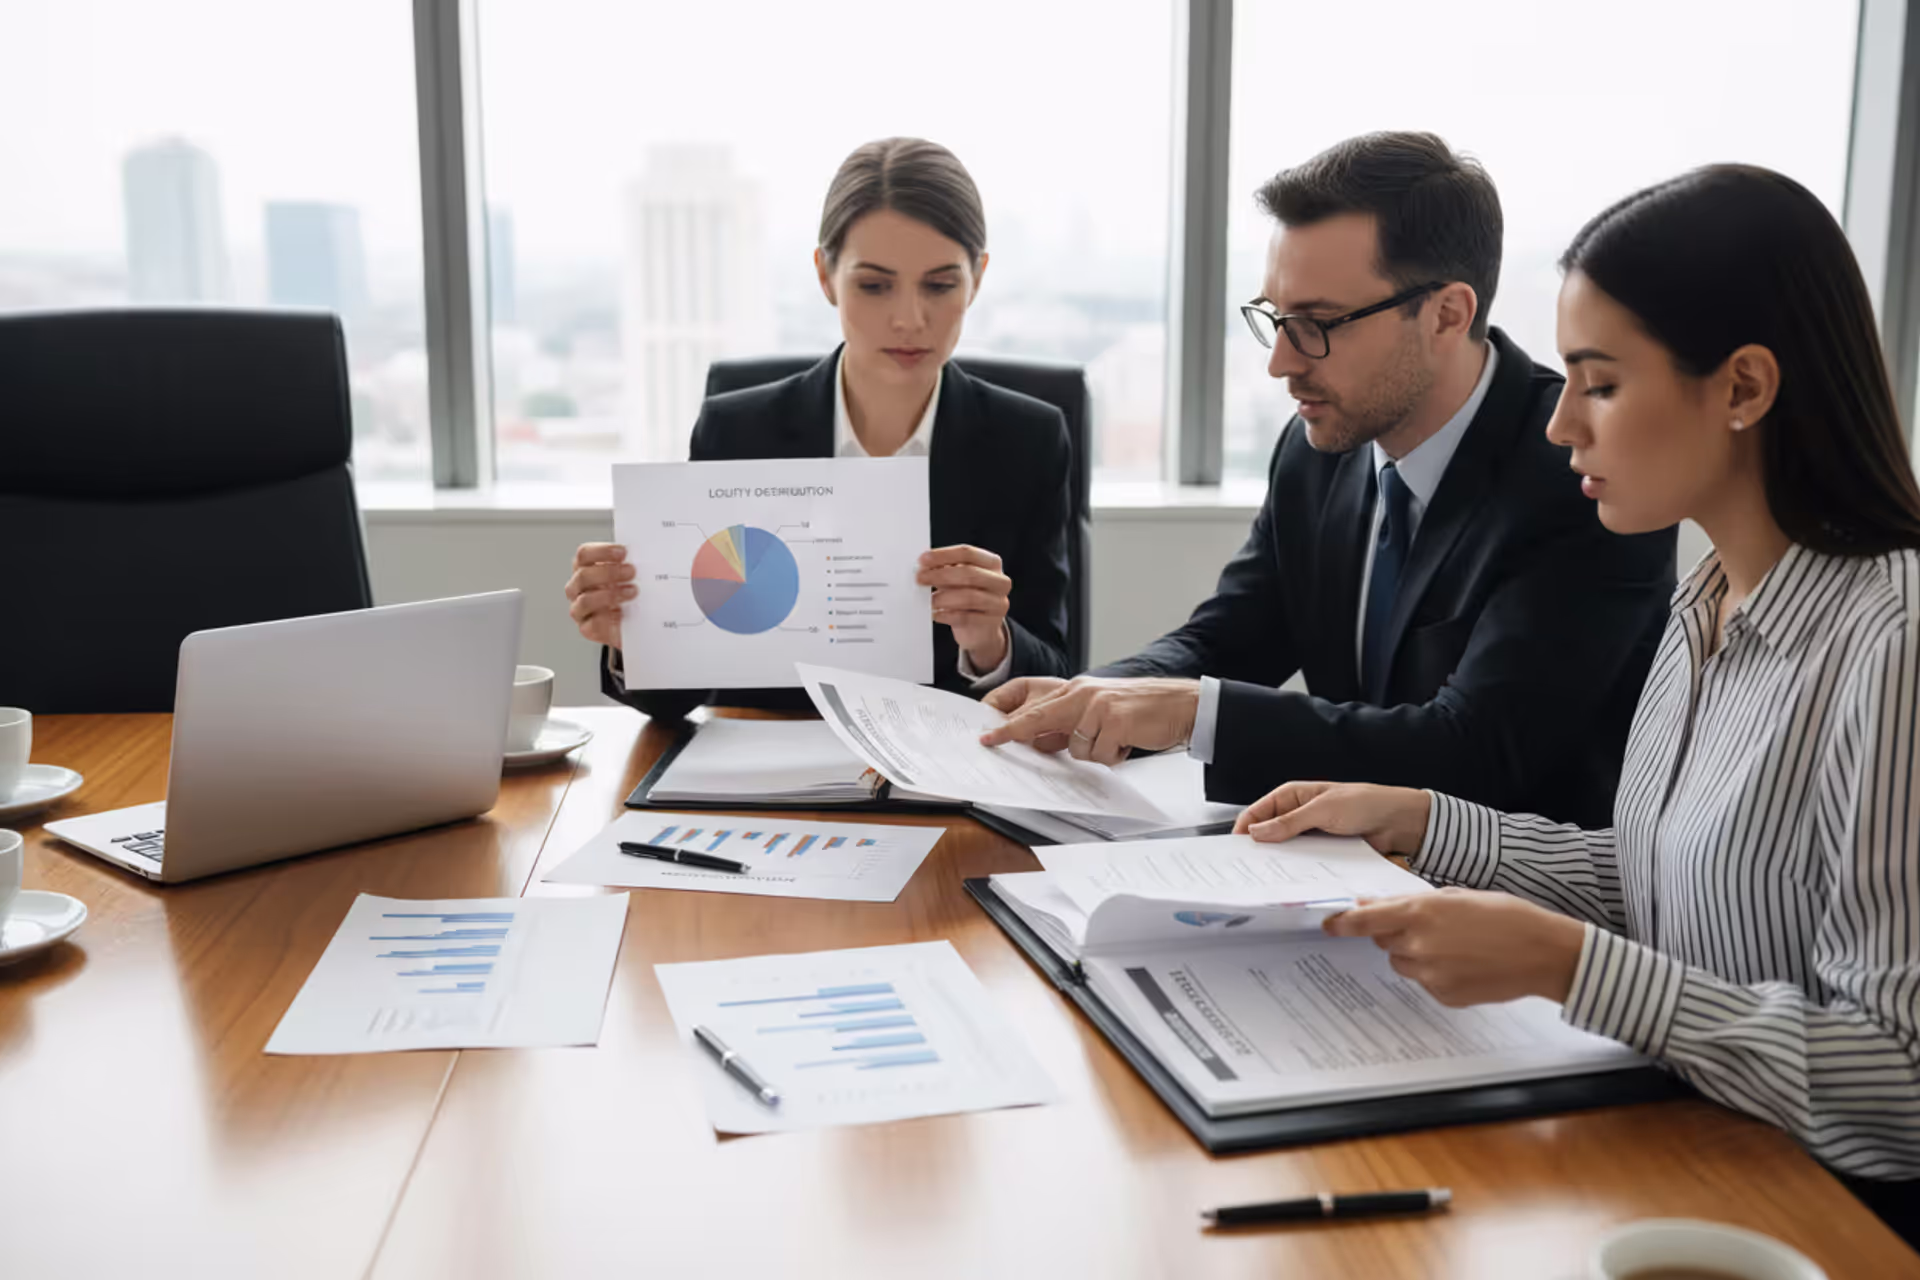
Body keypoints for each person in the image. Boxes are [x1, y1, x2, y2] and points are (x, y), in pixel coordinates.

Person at [1234, 165, 1920, 1238]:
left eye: (1598, 384)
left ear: (1742, 388)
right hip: (1687, 1145)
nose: (1558, 426)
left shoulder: (1895, 648)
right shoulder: (1708, 602)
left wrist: (1568, 963)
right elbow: (1668, 874)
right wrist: (1424, 820)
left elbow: (1899, 1084)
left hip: (1818, 1216)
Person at [980, 131, 1676, 829]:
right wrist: (1092, 694)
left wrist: (1194, 712)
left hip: (1517, 899)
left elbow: (1476, 750)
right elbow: (1229, 639)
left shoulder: (1580, 478)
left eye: (1316, 324)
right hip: (1339, 866)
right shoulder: (1318, 448)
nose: (1281, 362)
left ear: (1447, 314)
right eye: (1276, 319)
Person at [567, 137, 1075, 718]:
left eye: (939, 285)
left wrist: (993, 643)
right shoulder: (736, 432)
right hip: (767, 776)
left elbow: (1057, 674)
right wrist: (631, 639)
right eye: (874, 285)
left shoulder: (1027, 440)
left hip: (950, 780)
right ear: (825, 275)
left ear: (977, 279)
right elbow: (683, 692)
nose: (909, 318)